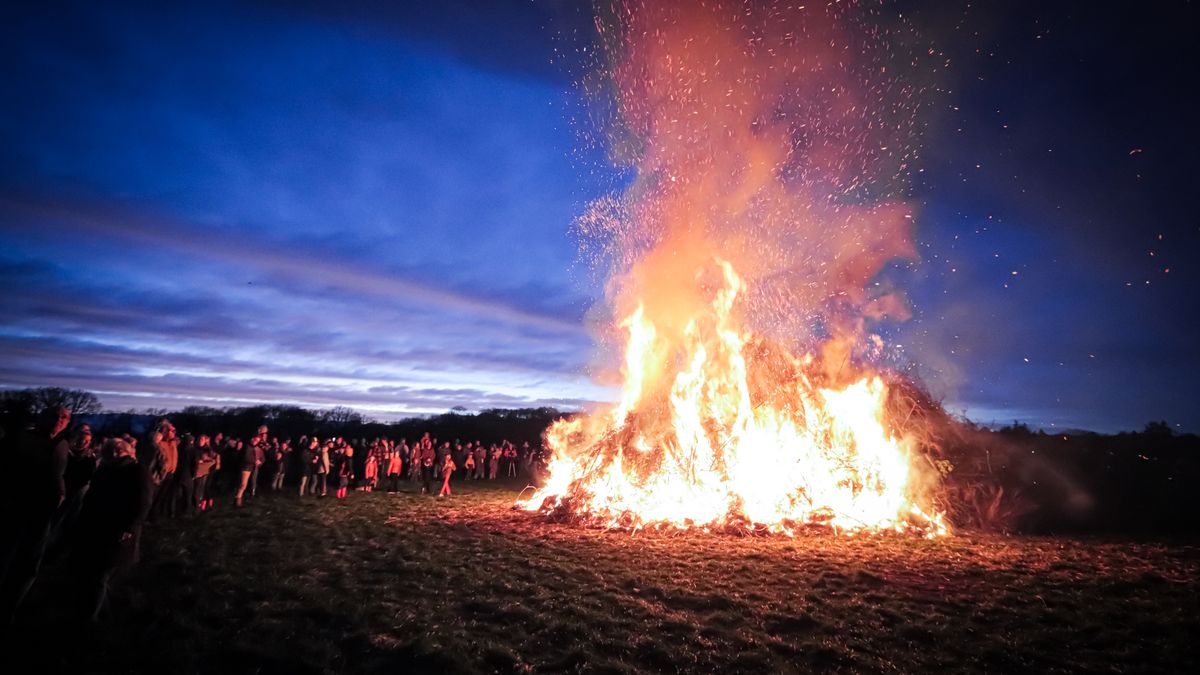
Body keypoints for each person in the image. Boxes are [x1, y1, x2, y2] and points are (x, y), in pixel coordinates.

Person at [0, 404, 70, 624]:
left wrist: (60, 492)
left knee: (29, 562)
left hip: (43, 512)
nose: (59, 420)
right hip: (16, 507)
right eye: (55, 415)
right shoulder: (22, 438)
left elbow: (58, 473)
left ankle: (10, 607)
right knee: (6, 555)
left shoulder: (62, 443)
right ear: (43, 416)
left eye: (64, 417)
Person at [68, 437, 150, 622]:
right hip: (98, 525)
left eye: (116, 450)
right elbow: (92, 496)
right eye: (110, 450)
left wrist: (130, 527)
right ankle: (102, 612)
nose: (113, 453)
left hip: (118, 529)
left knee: (101, 573)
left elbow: (143, 501)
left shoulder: (137, 470)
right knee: (95, 573)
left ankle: (88, 618)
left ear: (124, 451)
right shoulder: (105, 469)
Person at [235, 426, 267, 507]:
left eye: (257, 441)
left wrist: (260, 462)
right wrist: (255, 461)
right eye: (255, 440)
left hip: (254, 468)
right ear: (252, 439)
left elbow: (263, 458)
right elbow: (246, 457)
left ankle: (249, 496)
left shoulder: (258, 448)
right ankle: (238, 499)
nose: (255, 441)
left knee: (252, 483)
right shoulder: (247, 447)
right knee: (243, 484)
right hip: (246, 468)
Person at [193, 435, 219, 511]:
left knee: (202, 487)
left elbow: (214, 457)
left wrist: (206, 460)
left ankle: (202, 503)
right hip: (196, 471)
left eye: (202, 439)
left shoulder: (207, 449)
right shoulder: (195, 448)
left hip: (204, 471)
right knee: (197, 488)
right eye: (200, 439)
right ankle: (198, 503)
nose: (201, 441)